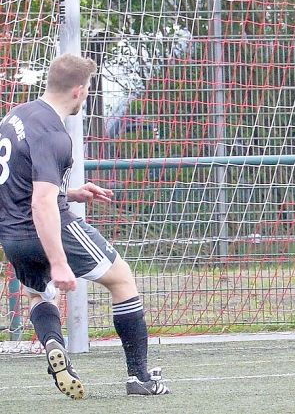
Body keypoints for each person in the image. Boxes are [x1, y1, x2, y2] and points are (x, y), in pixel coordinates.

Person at [0, 53, 170, 397]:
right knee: (122, 278)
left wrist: (72, 192)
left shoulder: (14, 117)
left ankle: (53, 345)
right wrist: (60, 262)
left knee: (38, 294)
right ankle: (139, 377)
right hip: (50, 227)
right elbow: (43, 202)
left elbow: (21, 181)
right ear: (78, 91)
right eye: (89, 88)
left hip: (12, 235)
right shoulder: (54, 135)